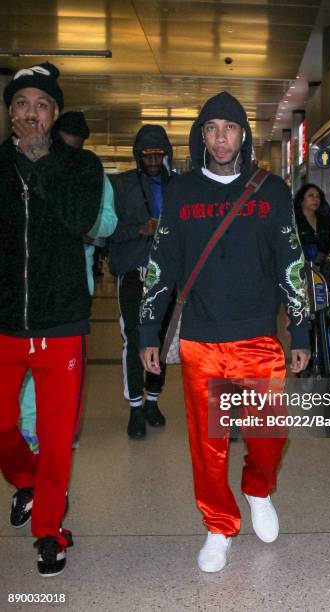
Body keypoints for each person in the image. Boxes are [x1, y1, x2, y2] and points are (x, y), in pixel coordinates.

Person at [139, 91, 310, 573]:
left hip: (258, 337)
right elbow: (162, 265)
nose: (220, 137)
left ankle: (258, 490)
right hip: (201, 338)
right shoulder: (181, 192)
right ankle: (218, 525)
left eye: (229, 128)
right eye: (211, 128)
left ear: (243, 135)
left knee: (267, 437)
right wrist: (148, 329)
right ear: (200, 136)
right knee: (208, 445)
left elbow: (291, 261)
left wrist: (301, 329)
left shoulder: (271, 191)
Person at [0, 63, 103, 576]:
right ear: (10, 113)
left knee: (58, 435)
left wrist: (40, 162)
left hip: (61, 323)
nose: (32, 113)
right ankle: (27, 478)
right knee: (2, 424)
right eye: (22, 104)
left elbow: (80, 220)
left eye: (42, 105)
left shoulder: (80, 167)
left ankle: (50, 529)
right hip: (4, 323)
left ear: (54, 113)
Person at [18, 111, 118, 454]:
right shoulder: (20, 166)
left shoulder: (92, 175)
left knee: (59, 366)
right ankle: (28, 425)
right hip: (25, 286)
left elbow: (107, 223)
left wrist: (77, 226)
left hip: (72, 284)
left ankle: (45, 427)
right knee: (25, 360)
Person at [109, 125, 174, 439]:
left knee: (160, 339)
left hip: (167, 275)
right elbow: (106, 231)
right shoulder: (121, 185)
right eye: (146, 154)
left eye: (157, 154)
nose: (152, 159)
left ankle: (152, 400)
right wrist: (140, 229)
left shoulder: (176, 185)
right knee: (134, 338)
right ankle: (135, 406)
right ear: (137, 154)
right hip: (134, 271)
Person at [294, 183, 330, 261]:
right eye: (311, 196)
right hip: (301, 267)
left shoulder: (324, 221)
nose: (315, 199)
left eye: (318, 196)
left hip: (325, 267)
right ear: (301, 200)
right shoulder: (294, 222)